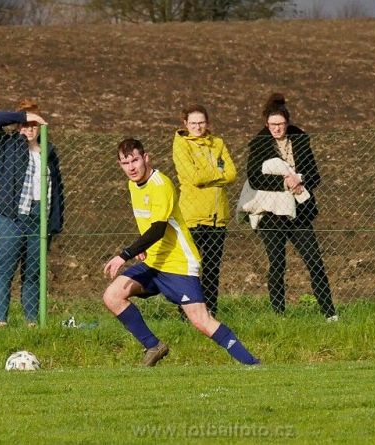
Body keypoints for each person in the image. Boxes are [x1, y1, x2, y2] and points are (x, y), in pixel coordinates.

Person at [102, 138, 259, 366]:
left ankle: (251, 363)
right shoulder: (133, 185)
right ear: (120, 165)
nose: (131, 167)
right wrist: (143, 250)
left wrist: (125, 254)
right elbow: (148, 220)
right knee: (113, 295)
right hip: (154, 263)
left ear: (146, 158)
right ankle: (153, 345)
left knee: (201, 320)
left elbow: (158, 229)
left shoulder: (160, 184)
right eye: (125, 163)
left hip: (179, 264)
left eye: (135, 160)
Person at [246, 93, 337, 322]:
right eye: (272, 125)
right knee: (277, 262)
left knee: (314, 260)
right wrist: (283, 182)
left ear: (287, 123)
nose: (277, 129)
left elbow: (315, 175)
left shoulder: (300, 140)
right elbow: (254, 178)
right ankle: (279, 315)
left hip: (299, 212)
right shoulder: (259, 144)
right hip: (271, 213)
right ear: (267, 124)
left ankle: (330, 313)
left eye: (281, 124)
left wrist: (300, 179)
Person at [0, 99, 65, 328]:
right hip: (11, 217)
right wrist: (22, 117)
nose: (29, 129)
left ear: (41, 127)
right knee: (5, 270)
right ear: (18, 125)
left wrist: (54, 223)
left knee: (33, 275)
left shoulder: (48, 151)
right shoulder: (6, 145)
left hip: (40, 220)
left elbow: (57, 189)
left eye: (33, 125)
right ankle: (1, 322)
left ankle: (31, 323)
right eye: (25, 124)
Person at [172, 105, 237, 317]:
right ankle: (187, 314)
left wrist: (207, 172)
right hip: (193, 216)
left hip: (217, 215)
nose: (198, 127)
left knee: (212, 269)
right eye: (193, 123)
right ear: (185, 124)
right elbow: (194, 177)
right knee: (190, 269)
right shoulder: (181, 145)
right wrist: (218, 172)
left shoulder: (217, 143)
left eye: (201, 122)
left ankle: (210, 313)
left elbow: (232, 174)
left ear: (207, 122)